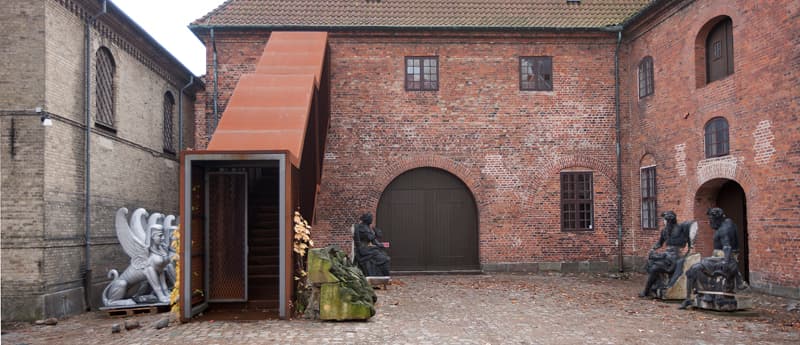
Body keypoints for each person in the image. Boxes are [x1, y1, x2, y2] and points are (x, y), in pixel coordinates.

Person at [679, 207, 746, 309]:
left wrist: (726, 262)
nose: (710, 222)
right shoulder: (728, 222)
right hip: (722, 257)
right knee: (702, 264)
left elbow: (727, 246)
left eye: (711, 220)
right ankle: (706, 294)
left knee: (693, 270)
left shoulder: (723, 230)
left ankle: (690, 298)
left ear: (717, 219)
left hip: (723, 258)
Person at [639, 211, 692, 298]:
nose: (664, 222)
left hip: (675, 256)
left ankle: (646, 291)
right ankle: (656, 286)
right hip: (666, 255)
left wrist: (689, 251)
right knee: (650, 262)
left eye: (665, 220)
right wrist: (652, 249)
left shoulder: (680, 229)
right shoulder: (665, 231)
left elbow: (688, 241)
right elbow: (660, 243)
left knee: (655, 267)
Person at [353, 213, 391, 277]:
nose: (372, 220)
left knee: (385, 257)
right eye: (370, 218)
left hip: (368, 248)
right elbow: (369, 237)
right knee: (383, 258)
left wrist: (381, 245)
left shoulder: (369, 228)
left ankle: (380, 277)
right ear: (366, 219)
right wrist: (376, 235)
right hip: (363, 249)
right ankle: (376, 276)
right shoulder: (361, 228)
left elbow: (374, 242)